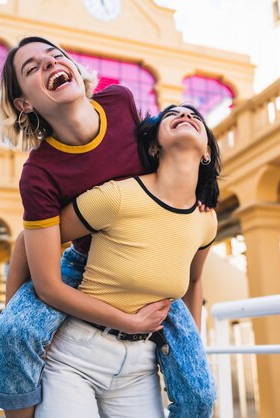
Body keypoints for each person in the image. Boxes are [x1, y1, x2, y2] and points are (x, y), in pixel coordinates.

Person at [0, 36, 215, 418]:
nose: (49, 64)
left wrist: (200, 197)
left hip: (151, 264)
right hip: (82, 269)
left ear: (74, 69)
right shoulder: (40, 173)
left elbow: (170, 158)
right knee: (15, 332)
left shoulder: (121, 103)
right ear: (24, 104)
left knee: (198, 392)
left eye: (55, 56)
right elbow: (33, 258)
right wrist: (17, 320)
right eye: (32, 68)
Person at [35, 103, 219, 417]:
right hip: (75, 357)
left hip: (141, 365)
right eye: (172, 114)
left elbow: (194, 281)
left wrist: (190, 347)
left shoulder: (206, 221)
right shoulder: (116, 196)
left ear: (207, 153)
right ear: (153, 145)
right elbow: (34, 237)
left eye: (195, 117)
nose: (186, 116)